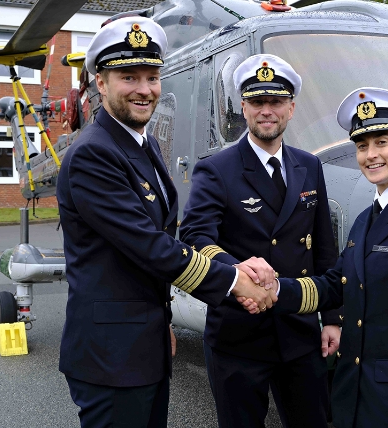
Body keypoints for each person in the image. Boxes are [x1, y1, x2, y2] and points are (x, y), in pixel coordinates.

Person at [56, 17, 273, 428]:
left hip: (141, 344)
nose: (144, 89)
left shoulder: (144, 143)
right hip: (111, 356)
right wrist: (234, 281)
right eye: (128, 76)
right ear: (100, 83)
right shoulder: (92, 155)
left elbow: (157, 239)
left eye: (152, 77)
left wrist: (159, 325)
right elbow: (149, 247)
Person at [265, 87, 388, 428]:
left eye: (382, 142)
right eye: (362, 145)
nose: (371, 154)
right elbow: (334, 286)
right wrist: (276, 290)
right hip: (354, 394)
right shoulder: (365, 219)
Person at [180, 54, 342, 428]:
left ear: (291, 107)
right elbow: (194, 235)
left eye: (276, 102)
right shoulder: (216, 168)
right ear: (243, 107)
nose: (266, 111)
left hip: (299, 331)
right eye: (257, 102)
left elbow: (323, 247)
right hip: (238, 333)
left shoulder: (309, 165)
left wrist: (332, 318)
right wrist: (237, 271)